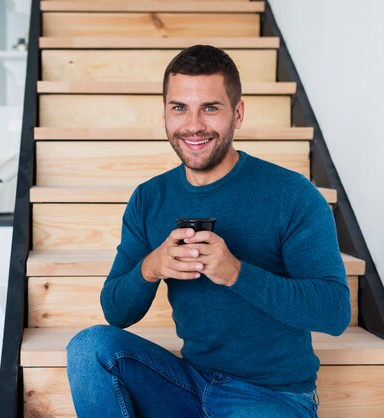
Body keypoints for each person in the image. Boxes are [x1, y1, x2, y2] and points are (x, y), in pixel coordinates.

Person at [66, 45, 350, 418]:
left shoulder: (291, 194)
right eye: (179, 107)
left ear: (238, 113)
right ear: (165, 113)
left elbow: (335, 311)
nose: (194, 125)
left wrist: (237, 273)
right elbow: (116, 312)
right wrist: (150, 268)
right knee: (89, 348)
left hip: (271, 396)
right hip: (189, 383)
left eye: (210, 108)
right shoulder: (150, 198)